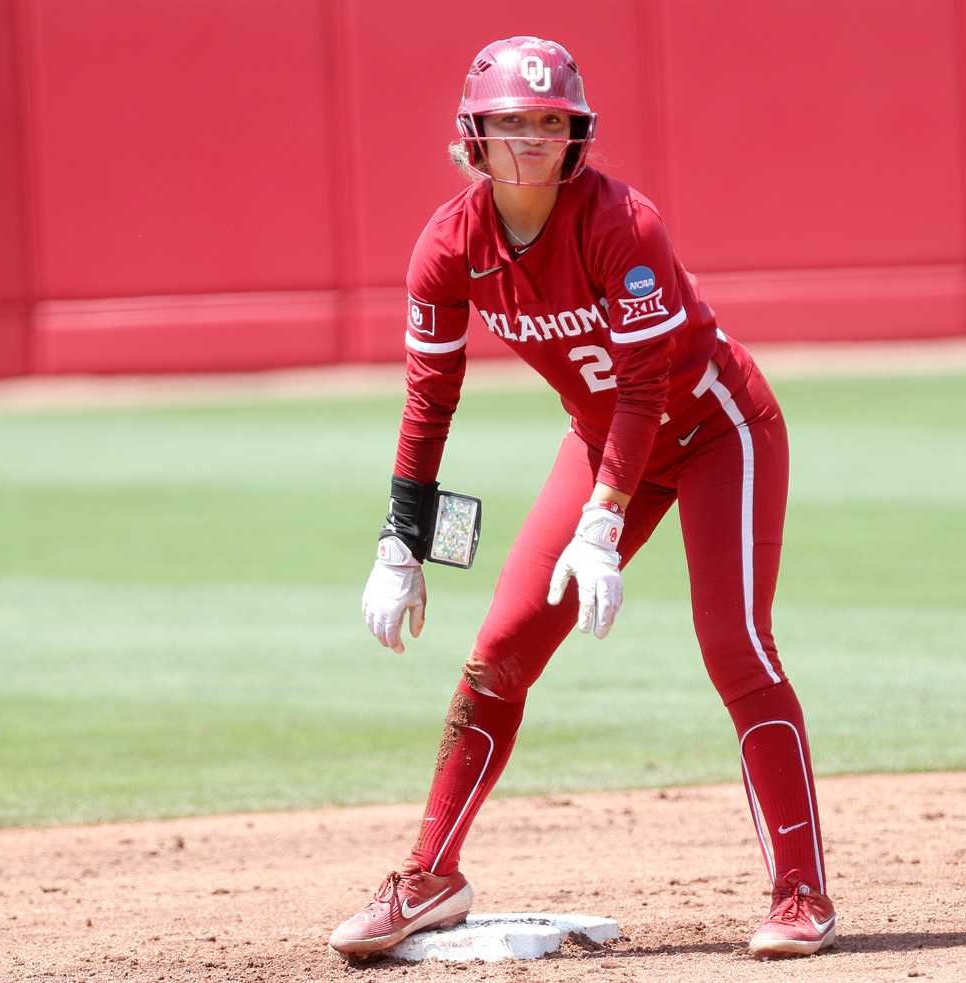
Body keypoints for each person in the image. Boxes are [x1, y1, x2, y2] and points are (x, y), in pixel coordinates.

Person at [328, 36, 835, 961]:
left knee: (735, 644)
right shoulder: (448, 247)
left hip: (718, 429)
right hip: (607, 443)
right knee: (500, 649)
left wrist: (601, 523)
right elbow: (429, 397)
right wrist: (400, 543)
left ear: (577, 137)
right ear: (472, 139)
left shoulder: (621, 224)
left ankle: (801, 892)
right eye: (510, 124)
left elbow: (648, 388)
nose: (529, 141)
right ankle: (429, 874)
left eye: (549, 123)